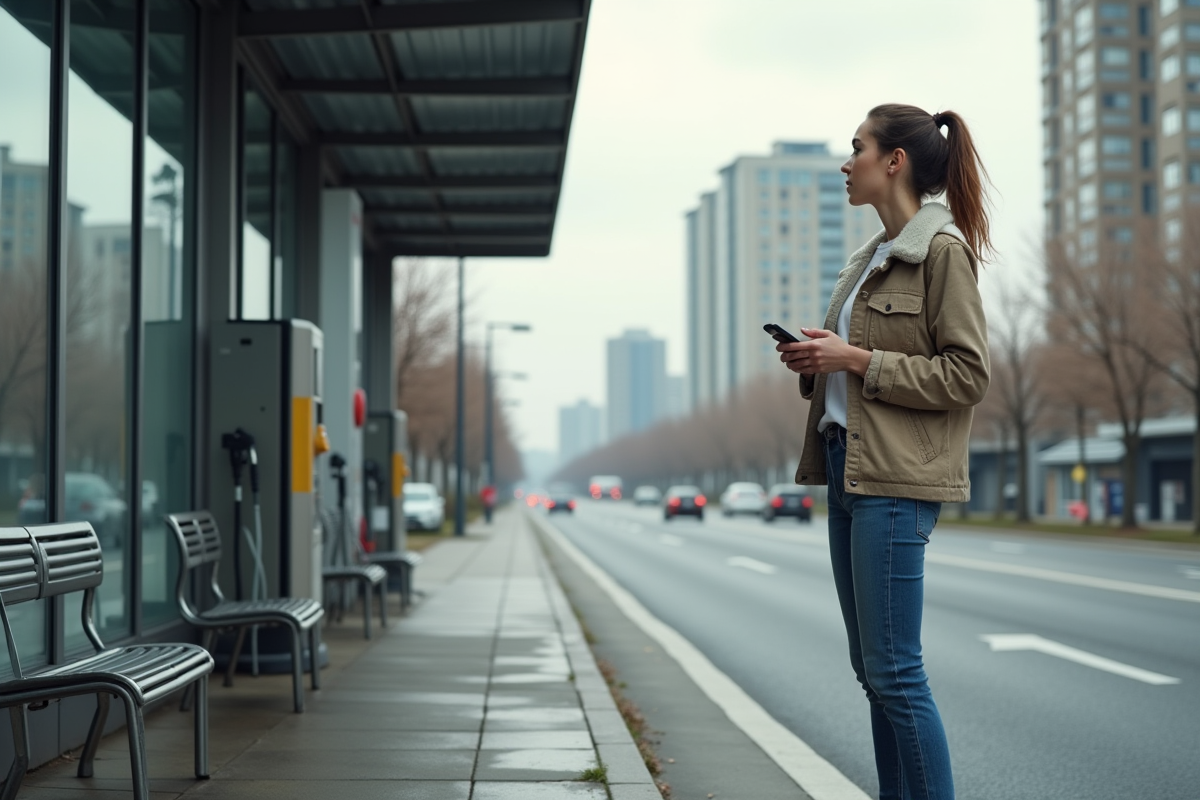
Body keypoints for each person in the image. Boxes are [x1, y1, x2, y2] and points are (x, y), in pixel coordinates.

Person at [776, 103, 992, 800]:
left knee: (897, 671)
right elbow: (860, 364)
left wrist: (858, 359)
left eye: (857, 147)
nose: (847, 162)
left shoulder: (942, 253)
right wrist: (822, 360)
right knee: (873, 673)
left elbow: (967, 376)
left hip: (897, 485)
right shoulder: (867, 261)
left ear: (893, 161)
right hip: (850, 468)